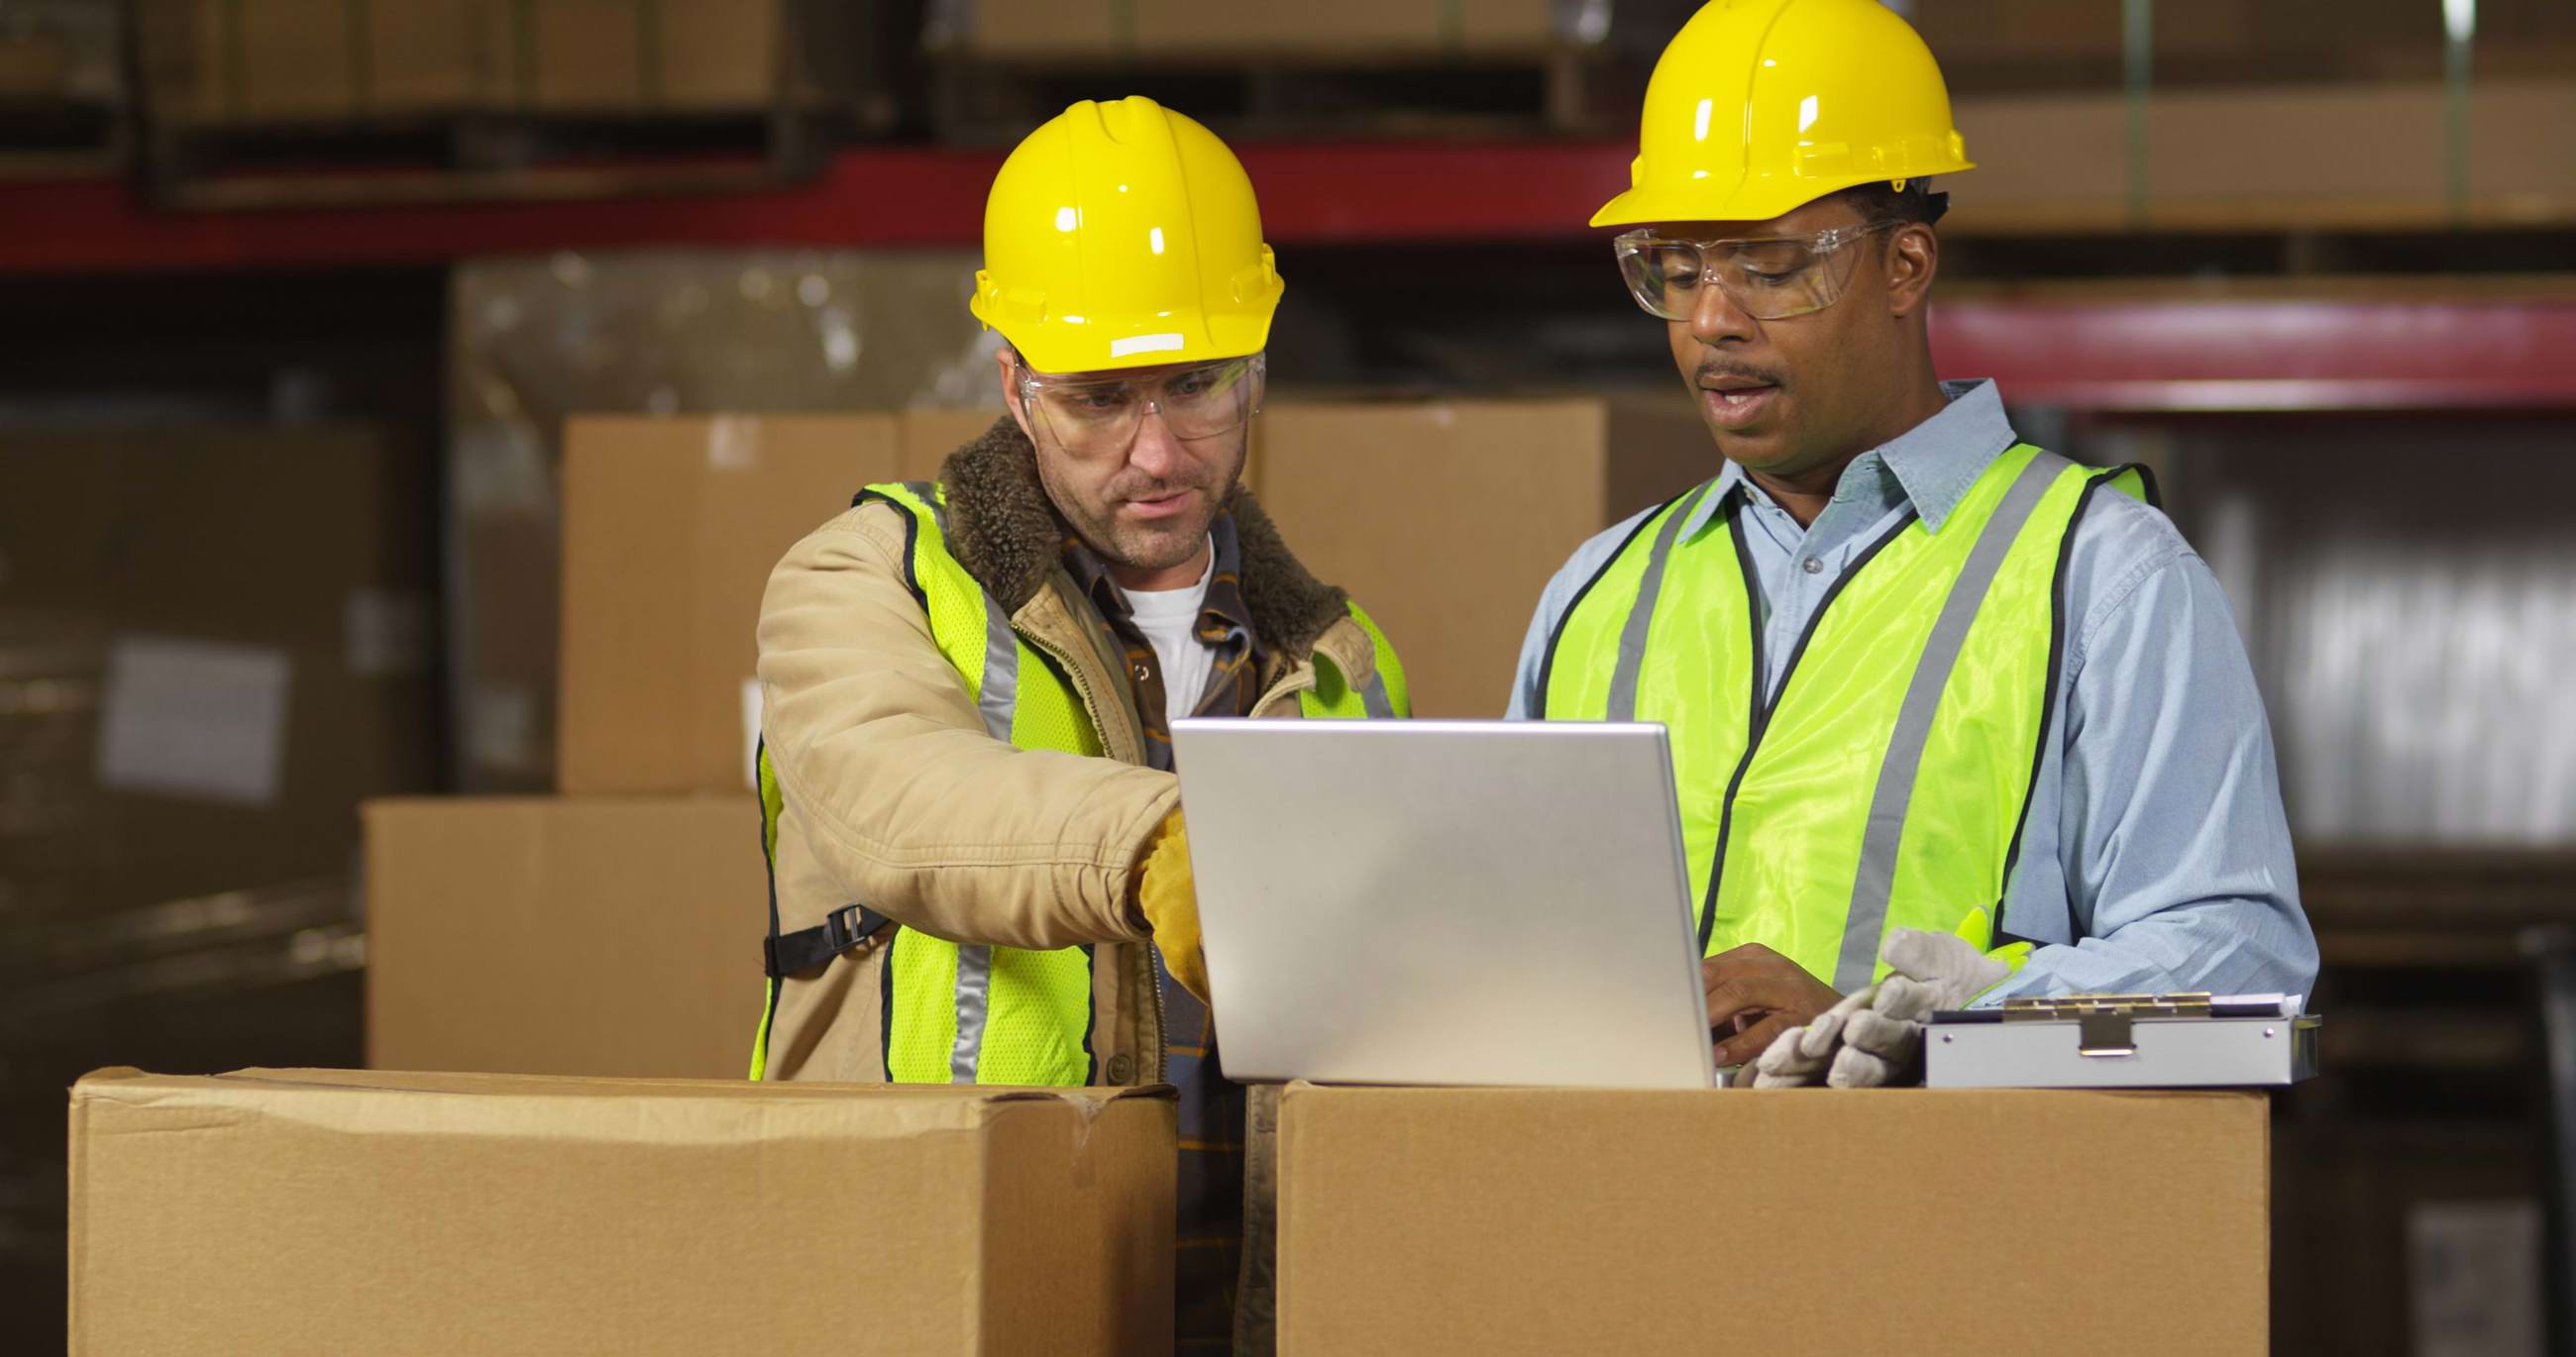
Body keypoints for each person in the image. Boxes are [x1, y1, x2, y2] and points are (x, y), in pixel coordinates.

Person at [1510, 0, 2316, 1080]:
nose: (1710, 319)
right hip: (1618, 1184)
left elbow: (2238, 969)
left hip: (1936, 1188)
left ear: (1904, 265)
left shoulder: (2102, 579)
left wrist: (1940, 1034)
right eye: (1678, 267)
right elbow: (1506, 948)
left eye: (1768, 264)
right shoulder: (1595, 595)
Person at [748, 96, 1407, 1349]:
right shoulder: (867, 579)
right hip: (942, 1297)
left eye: (1195, 387)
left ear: (1255, 368)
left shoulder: (1338, 662)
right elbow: (902, 797)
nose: (1154, 452)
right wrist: (1159, 843)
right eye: (1099, 399)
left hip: (1258, 1312)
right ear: (1015, 383)